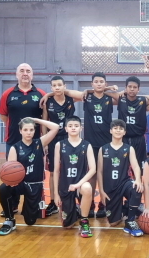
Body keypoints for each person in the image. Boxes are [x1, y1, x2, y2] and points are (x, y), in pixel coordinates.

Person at [40, 72, 119, 218]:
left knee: (105, 173)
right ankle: (82, 204)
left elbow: (121, 97)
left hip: (106, 141)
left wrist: (107, 89)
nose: (99, 84)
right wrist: (48, 94)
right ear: (91, 84)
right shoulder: (86, 97)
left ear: (105, 83)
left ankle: (103, 203)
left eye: (102, 82)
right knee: (86, 172)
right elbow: (66, 90)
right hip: (88, 141)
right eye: (96, 82)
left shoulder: (108, 98)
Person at [0, 63, 46, 217]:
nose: (25, 74)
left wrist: (43, 141)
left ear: (32, 75)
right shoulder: (8, 94)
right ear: (16, 74)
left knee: (34, 174)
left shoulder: (40, 93)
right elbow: (3, 115)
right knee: (13, 173)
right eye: (22, 71)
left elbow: (44, 117)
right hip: (13, 141)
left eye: (28, 71)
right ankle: (13, 205)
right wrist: (17, 130)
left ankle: (34, 205)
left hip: (35, 143)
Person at [0, 117, 59, 235]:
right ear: (20, 131)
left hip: (35, 185)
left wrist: (36, 120)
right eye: (25, 129)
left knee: (30, 221)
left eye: (31, 129)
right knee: (4, 188)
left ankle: (28, 210)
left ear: (34, 131)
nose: (29, 132)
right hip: (20, 183)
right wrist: (12, 181)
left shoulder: (39, 143)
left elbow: (55, 127)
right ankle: (9, 220)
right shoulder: (15, 148)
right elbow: (11, 169)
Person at [97, 119, 144, 236]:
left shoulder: (129, 148)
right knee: (114, 223)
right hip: (109, 187)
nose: (118, 130)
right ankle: (126, 208)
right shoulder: (103, 149)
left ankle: (130, 220)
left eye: (121, 129)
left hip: (124, 183)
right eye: (115, 128)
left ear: (124, 132)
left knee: (136, 189)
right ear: (110, 131)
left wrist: (138, 179)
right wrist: (101, 191)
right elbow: (99, 172)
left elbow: (136, 167)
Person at [53, 116, 96, 238]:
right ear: (66, 128)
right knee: (68, 226)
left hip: (79, 185)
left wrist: (78, 184)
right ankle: (75, 210)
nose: (73, 128)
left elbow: (93, 169)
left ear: (81, 128)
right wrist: (56, 194)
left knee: (87, 188)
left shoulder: (86, 145)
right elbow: (56, 171)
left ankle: (84, 221)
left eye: (76, 126)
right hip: (65, 186)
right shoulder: (59, 145)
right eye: (70, 126)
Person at [42, 76, 75, 216]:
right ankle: (53, 202)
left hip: (68, 138)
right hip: (53, 139)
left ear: (64, 86)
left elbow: (84, 93)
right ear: (51, 87)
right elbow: (44, 121)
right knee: (52, 171)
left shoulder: (70, 99)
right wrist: (45, 141)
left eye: (59, 85)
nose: (57, 87)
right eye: (54, 85)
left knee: (70, 169)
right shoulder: (47, 102)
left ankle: (71, 201)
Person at [117, 76, 149, 170]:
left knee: (140, 167)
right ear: (126, 88)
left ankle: (140, 184)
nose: (132, 89)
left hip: (139, 139)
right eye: (130, 87)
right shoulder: (120, 100)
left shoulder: (143, 101)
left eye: (135, 87)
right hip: (123, 138)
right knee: (122, 167)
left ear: (138, 89)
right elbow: (106, 94)